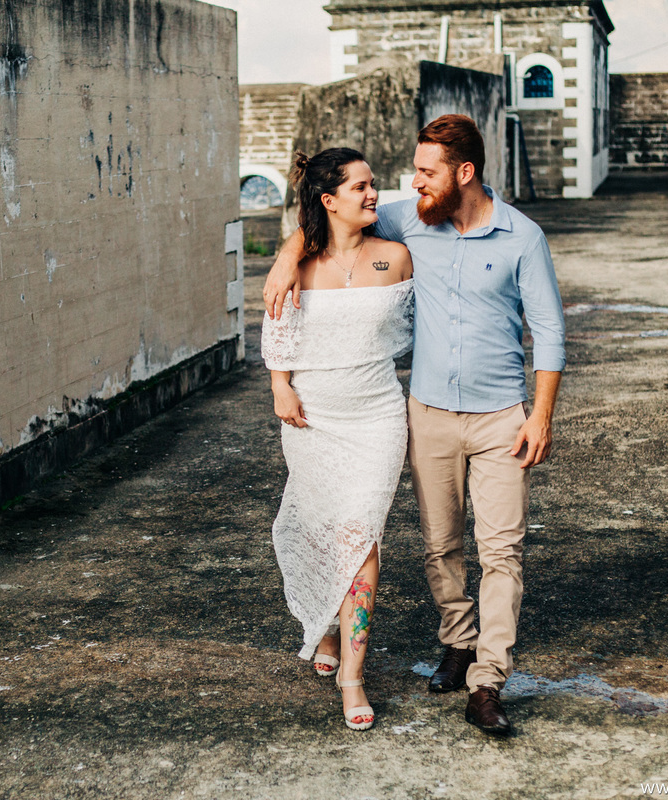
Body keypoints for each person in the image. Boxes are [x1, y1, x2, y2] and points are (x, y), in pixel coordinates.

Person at [263, 115, 565, 737]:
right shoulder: (411, 219)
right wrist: (287, 257)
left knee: (501, 551)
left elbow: (551, 331)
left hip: (502, 415)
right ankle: (456, 640)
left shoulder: (523, 238)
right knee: (440, 544)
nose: (410, 184)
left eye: (425, 172)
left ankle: (487, 680)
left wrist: (540, 415)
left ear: (464, 173)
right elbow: (325, 216)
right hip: (425, 413)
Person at [262, 148, 414, 731]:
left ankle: (354, 673)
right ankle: (324, 621)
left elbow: (415, 330)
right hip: (312, 416)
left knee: (362, 538)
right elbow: (278, 328)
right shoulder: (295, 267)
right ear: (329, 201)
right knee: (320, 526)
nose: (374, 195)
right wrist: (281, 386)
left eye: (374, 185)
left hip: (376, 416)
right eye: (361, 187)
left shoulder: (396, 258)